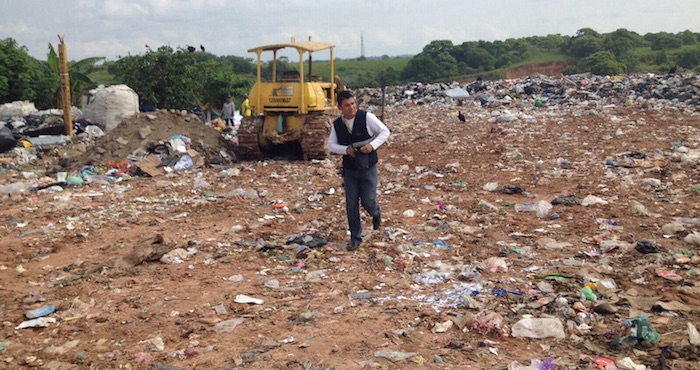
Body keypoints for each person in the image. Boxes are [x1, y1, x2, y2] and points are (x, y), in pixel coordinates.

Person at [329, 90, 390, 251]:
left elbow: (385, 132)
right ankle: (355, 237)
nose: (351, 108)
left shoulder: (366, 117)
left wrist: (372, 146)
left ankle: (376, 213)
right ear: (340, 107)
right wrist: (346, 150)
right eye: (347, 105)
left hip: (368, 166)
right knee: (351, 204)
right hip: (350, 169)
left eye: (353, 104)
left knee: (368, 201)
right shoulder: (337, 125)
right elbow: (331, 145)